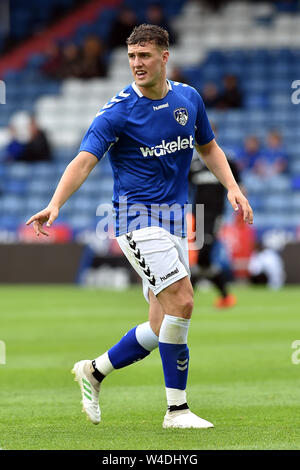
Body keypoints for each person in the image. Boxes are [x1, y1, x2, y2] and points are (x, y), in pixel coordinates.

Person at [26, 24, 253, 429]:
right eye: (131, 57)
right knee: (182, 301)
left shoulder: (189, 99)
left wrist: (233, 188)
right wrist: (54, 204)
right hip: (135, 219)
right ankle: (177, 411)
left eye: (144, 56)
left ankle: (92, 371)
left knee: (159, 323)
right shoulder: (117, 110)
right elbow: (83, 160)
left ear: (164, 57)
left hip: (174, 220)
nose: (136, 64)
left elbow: (209, 147)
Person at [189, 125, 241, 308]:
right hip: (198, 213)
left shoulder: (226, 161)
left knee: (204, 254)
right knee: (205, 259)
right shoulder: (193, 163)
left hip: (216, 214)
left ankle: (187, 294)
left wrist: (241, 208)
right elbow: (184, 188)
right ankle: (225, 297)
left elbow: (238, 186)